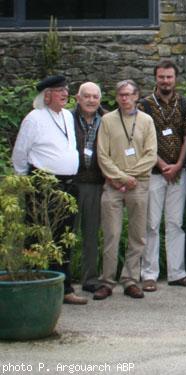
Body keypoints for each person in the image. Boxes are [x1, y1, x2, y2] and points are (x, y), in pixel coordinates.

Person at [12, 75, 86, 304]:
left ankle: (64, 288)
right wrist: (26, 183)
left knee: (64, 237)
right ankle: (32, 283)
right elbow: (20, 154)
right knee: (36, 234)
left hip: (68, 184)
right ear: (46, 95)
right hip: (42, 184)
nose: (65, 93)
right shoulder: (34, 118)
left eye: (66, 89)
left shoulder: (67, 116)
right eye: (58, 90)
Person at [93, 80, 158, 300]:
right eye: (120, 94)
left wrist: (130, 177)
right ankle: (107, 281)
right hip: (112, 185)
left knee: (137, 235)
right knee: (111, 234)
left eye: (128, 94)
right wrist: (119, 178)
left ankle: (130, 279)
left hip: (138, 184)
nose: (124, 98)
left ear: (136, 96)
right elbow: (102, 154)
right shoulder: (107, 120)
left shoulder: (147, 121)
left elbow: (151, 154)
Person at [137, 60, 186, 291]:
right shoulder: (144, 106)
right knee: (151, 224)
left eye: (169, 77)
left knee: (175, 223)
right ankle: (149, 274)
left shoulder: (184, 104)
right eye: (161, 77)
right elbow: (142, 140)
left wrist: (179, 164)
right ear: (156, 78)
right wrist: (163, 165)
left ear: (175, 78)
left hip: (178, 174)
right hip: (154, 172)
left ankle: (176, 272)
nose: (165, 81)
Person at [72, 82, 106, 296]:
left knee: (91, 234)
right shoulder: (67, 119)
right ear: (78, 98)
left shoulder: (107, 121)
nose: (91, 100)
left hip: (95, 183)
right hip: (71, 183)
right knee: (68, 233)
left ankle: (90, 278)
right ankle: (62, 278)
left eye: (95, 97)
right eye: (87, 96)